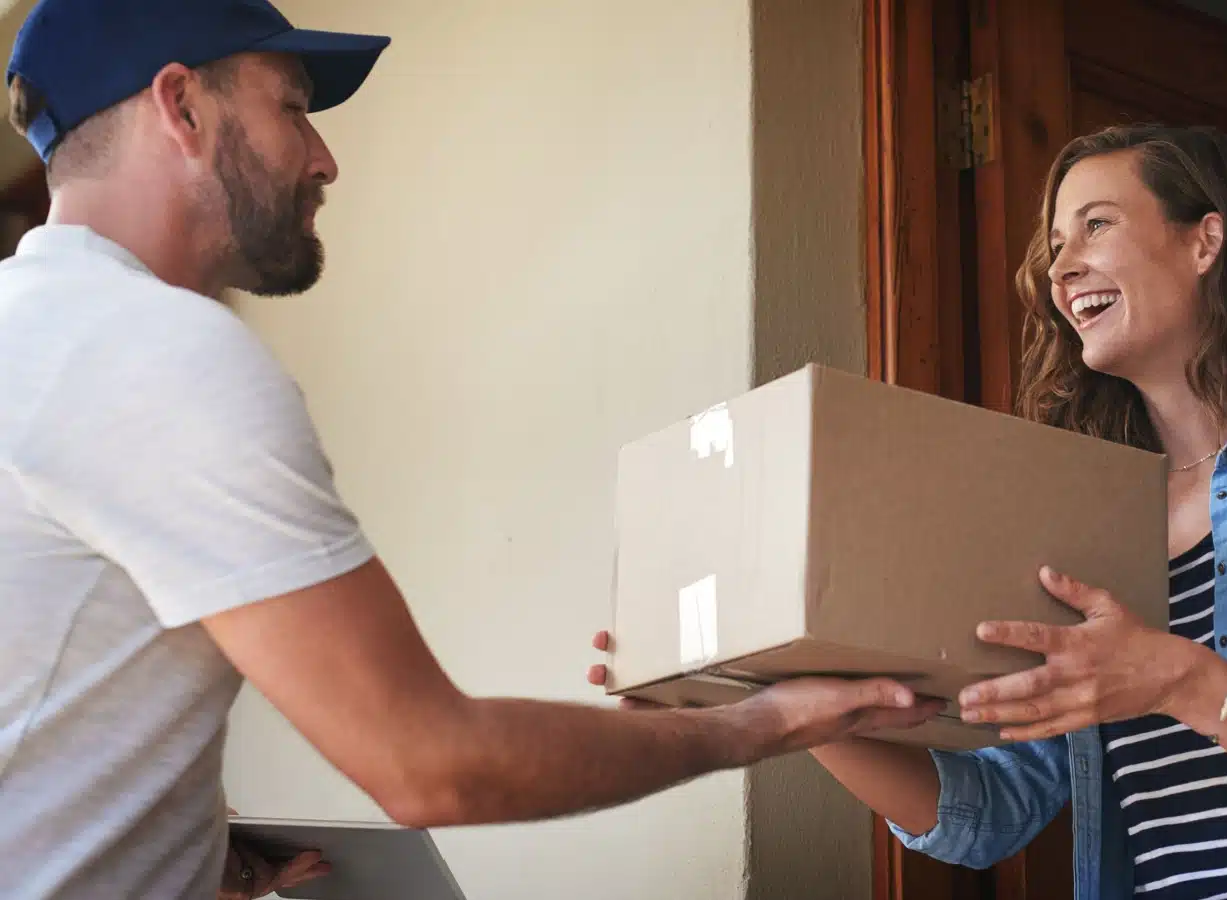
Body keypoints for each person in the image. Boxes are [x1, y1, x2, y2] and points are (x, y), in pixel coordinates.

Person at [0, 1, 940, 898]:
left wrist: (186, 847)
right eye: (292, 107)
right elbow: (429, 765)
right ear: (181, 106)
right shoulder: (155, 351)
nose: (324, 159)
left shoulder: (32, 336)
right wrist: (763, 722)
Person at [595, 124, 1227, 898]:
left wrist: (1180, 680)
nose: (1061, 267)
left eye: (1096, 224)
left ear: (1205, 239)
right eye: (1056, 242)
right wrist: (779, 706)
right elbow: (991, 814)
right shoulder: (1075, 521)